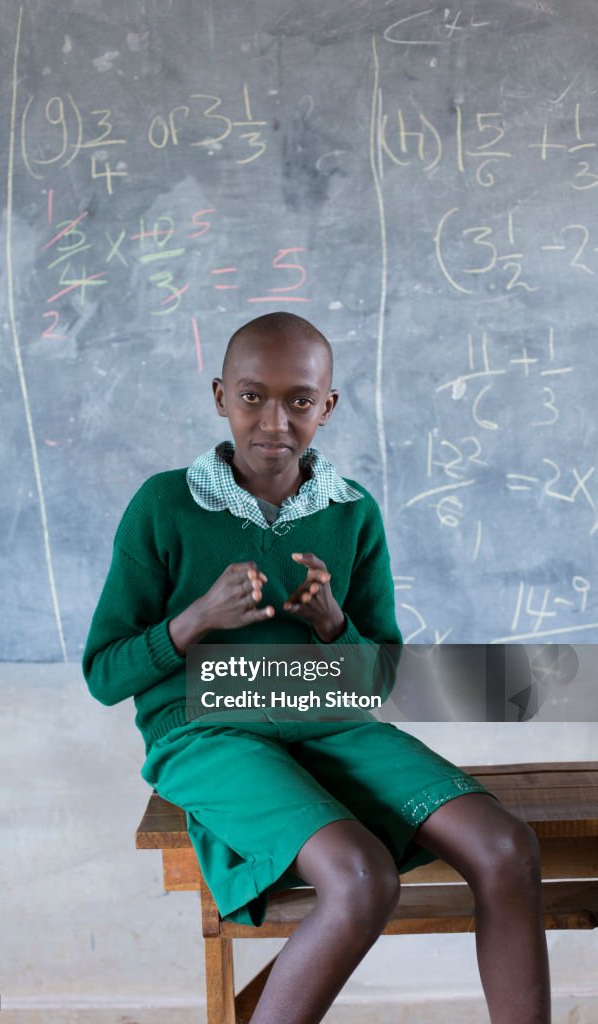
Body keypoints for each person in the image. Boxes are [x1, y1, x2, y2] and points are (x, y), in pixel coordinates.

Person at [83, 312, 550, 1024]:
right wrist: (195, 621)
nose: (275, 419)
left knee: (507, 846)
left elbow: (381, 679)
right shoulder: (165, 504)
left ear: (327, 406)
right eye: (252, 397)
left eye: (300, 399)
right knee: (362, 878)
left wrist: (333, 622)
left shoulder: (352, 511)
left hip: (328, 720)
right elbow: (105, 674)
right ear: (219, 397)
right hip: (209, 734)